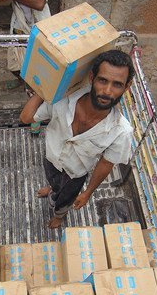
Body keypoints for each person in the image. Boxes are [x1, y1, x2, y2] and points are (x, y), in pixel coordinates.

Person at [20, 50, 135, 228]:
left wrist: (88, 192)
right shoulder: (62, 98)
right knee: (53, 181)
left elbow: (106, 164)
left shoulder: (121, 131)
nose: (107, 91)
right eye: (103, 80)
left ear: (126, 87)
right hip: (51, 159)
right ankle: (52, 189)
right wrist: (47, 88)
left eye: (117, 84)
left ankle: (59, 216)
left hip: (75, 175)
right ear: (92, 78)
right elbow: (26, 118)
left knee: (65, 199)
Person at [0, 0, 52, 134]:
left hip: (37, 31)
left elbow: (39, 3)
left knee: (36, 76)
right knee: (15, 67)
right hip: (18, 26)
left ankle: (36, 114)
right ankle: (26, 83)